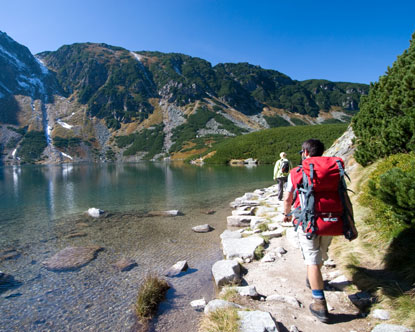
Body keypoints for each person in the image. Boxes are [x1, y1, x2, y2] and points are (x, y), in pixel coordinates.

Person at [282, 139, 358, 323]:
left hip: (308, 222)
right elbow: (344, 196)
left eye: (302, 152)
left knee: (312, 261)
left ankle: (319, 303)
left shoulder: (297, 172)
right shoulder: (334, 172)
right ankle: (314, 279)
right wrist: (351, 224)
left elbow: (288, 197)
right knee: (321, 254)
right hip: (331, 222)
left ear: (306, 153)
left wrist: (286, 215)